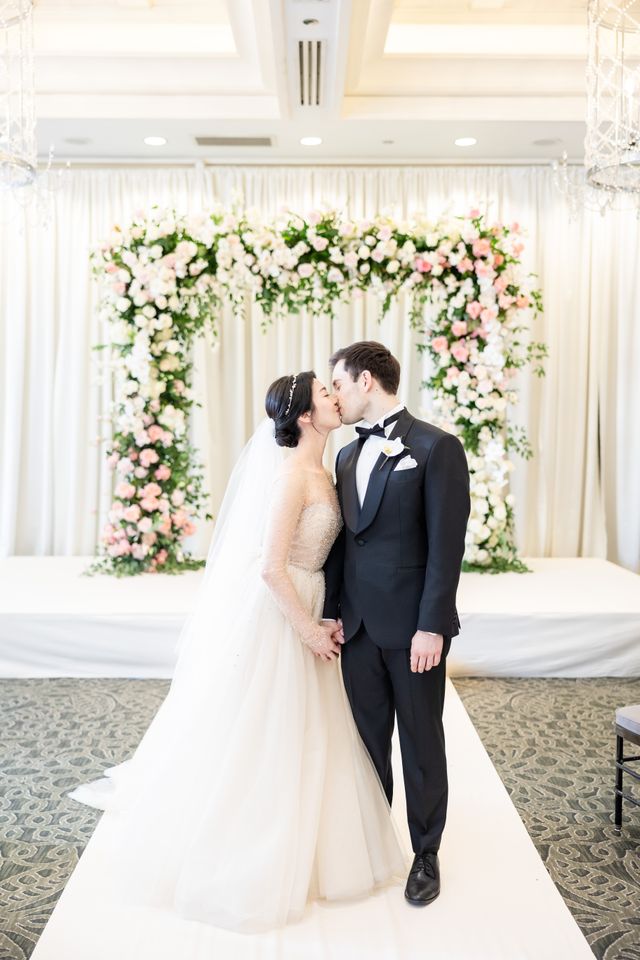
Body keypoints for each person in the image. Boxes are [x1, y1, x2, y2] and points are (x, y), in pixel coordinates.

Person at [70, 370, 405, 934]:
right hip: (282, 613)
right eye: (326, 393)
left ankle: (318, 846)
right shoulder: (292, 477)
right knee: (265, 730)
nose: (336, 398)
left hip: (313, 602)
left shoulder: (326, 469)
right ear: (304, 415)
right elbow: (271, 568)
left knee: (310, 730)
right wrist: (307, 630)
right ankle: (252, 850)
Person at [323, 341, 470, 907]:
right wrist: (332, 612)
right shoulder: (344, 456)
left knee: (421, 739)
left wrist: (433, 625)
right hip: (357, 626)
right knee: (365, 741)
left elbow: (446, 549)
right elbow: (344, 545)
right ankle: (372, 843)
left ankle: (426, 852)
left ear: (365, 381)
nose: (334, 395)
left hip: (413, 631)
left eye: (338, 384)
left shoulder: (435, 448)